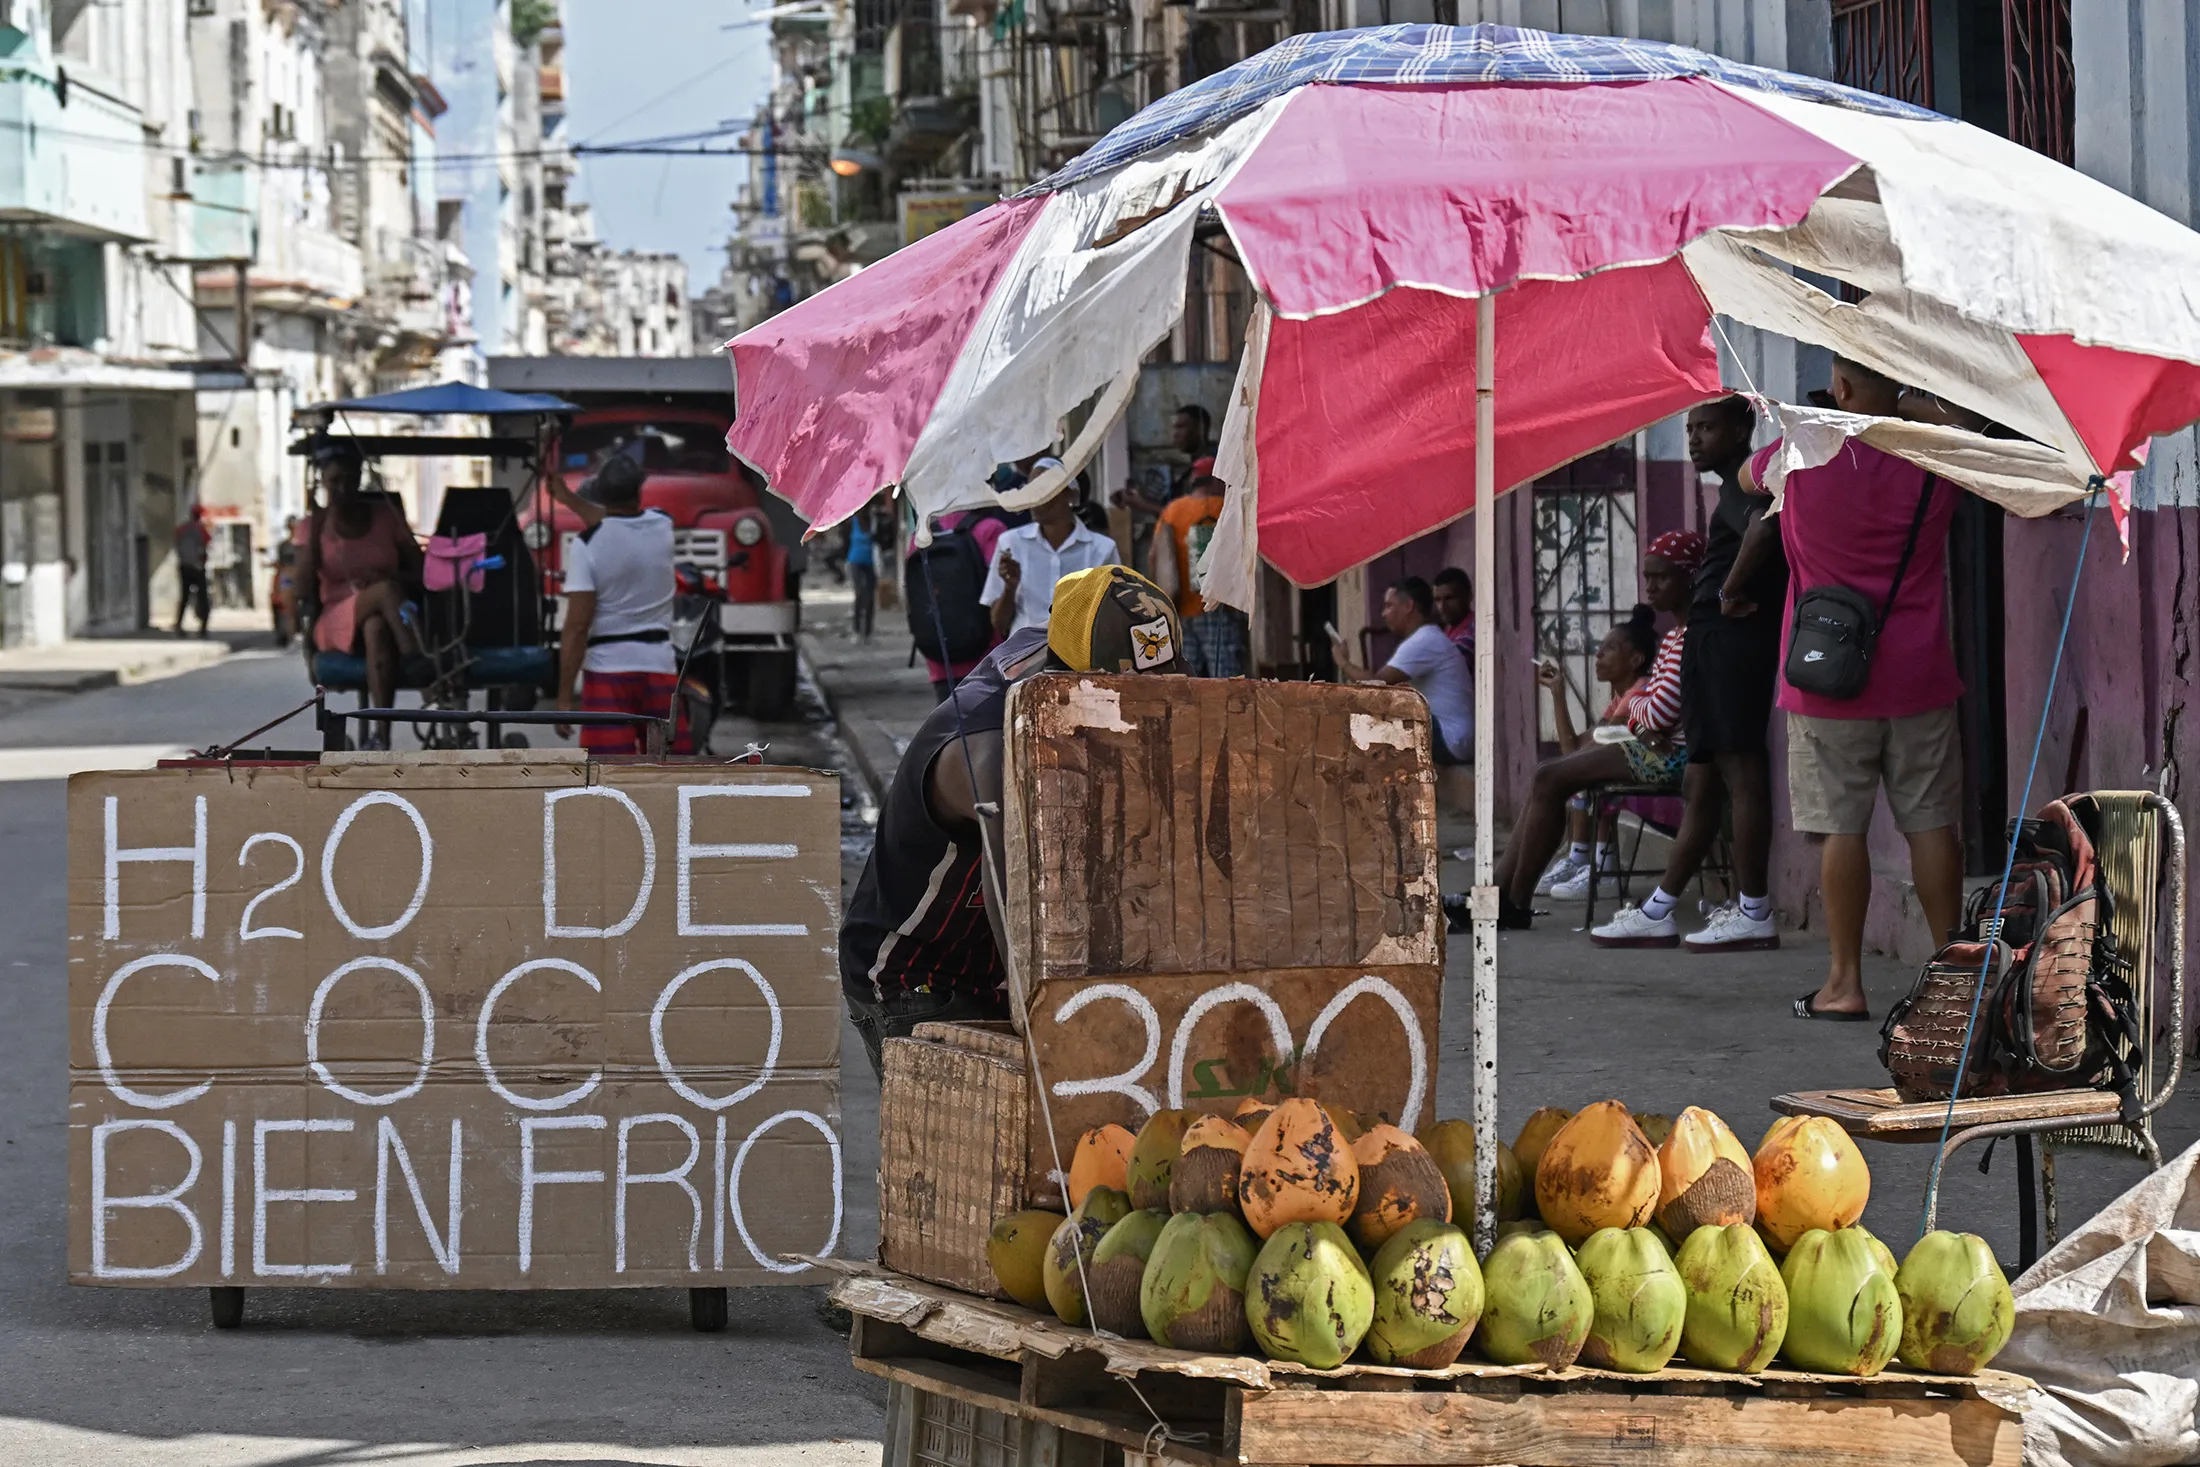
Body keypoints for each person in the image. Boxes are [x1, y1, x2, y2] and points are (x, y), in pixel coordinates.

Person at [841, 564, 1185, 1075]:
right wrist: (1046, 1021)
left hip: (986, 967)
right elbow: (1018, 907)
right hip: (916, 979)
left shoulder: (1050, 654)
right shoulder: (991, 753)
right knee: (966, 1148)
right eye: (1125, 699)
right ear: (1074, 682)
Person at [1760, 359, 1965, 1020]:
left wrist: (1819, 424)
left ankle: (1844, 981)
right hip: (1919, 673)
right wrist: (1912, 406)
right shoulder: (1931, 459)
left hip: (1827, 680)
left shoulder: (1802, 453)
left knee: (1840, 828)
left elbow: (1743, 476)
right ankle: (1952, 975)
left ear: (1841, 387)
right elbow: (1968, 429)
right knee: (1932, 822)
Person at [1590, 396, 1787, 952]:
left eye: (1707, 428)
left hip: (1733, 645)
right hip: (1710, 643)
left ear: (1743, 426)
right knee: (1702, 779)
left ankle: (1754, 911)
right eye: (1690, 429)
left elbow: (1766, 532)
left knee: (1741, 774)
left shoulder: (1750, 486)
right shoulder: (1728, 488)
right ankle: (1659, 909)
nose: (1695, 439)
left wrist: (1727, 590)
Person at [1444, 532, 1702, 933]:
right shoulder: (1673, 637)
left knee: (1551, 775)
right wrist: (1642, 711)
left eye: (1662, 578)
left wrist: (1638, 709)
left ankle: (1511, 902)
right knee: (1547, 774)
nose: (1651, 586)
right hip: (1652, 748)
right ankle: (1496, 896)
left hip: (1672, 756)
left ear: (1690, 577)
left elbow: (1658, 713)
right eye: (1647, 577)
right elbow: (1647, 713)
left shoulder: (1692, 636)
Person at [550, 454, 685, 757]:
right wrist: (567, 499)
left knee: (609, 774)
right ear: (639, 491)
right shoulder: (662, 525)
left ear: (599, 493)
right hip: (660, 665)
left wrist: (563, 700)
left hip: (607, 673)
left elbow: (577, 627)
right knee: (671, 770)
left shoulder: (587, 545)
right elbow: (619, 524)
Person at [1526, 605, 1660, 899]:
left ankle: (1601, 865)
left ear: (1636, 659)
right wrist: (1558, 692)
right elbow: (1573, 750)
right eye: (1600, 648)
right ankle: (1581, 858)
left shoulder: (1639, 692)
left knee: (1583, 773)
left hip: (1657, 781)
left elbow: (1581, 755)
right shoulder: (1619, 699)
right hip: (1631, 774)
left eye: (1609, 649)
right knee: (1575, 768)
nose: (1598, 655)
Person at [298, 437, 423, 750]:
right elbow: (302, 588)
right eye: (334, 481)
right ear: (323, 483)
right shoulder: (313, 525)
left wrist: (389, 576)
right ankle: (418, 658)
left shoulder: (386, 515)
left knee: (376, 626)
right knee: (384, 593)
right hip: (333, 618)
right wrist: (316, 531)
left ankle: (381, 735)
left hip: (389, 615)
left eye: (350, 480)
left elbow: (422, 573)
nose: (343, 489)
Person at [1328, 577, 1474, 764]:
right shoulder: (1426, 637)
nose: (1383, 614)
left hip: (1452, 738)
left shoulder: (1423, 641)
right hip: (1453, 735)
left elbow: (1375, 683)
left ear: (1408, 606)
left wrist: (1343, 662)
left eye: (1389, 605)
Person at [982, 471, 1118, 638]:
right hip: (1025, 657)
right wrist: (1010, 587)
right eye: (1032, 491)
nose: (1036, 500)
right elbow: (998, 622)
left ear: (1071, 496)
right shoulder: (1011, 543)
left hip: (1079, 658)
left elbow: (1114, 615)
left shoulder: (1102, 549)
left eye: (1045, 491)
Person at [1151, 465, 1249, 677]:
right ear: (1216, 481)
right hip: (1219, 611)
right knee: (1225, 679)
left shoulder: (1172, 511)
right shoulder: (1226, 507)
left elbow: (1155, 556)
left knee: (1184, 680)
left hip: (1180, 613)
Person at [173, 503, 212, 638]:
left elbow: (177, 543)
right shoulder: (201, 530)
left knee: (184, 597)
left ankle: (178, 625)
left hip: (184, 566)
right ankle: (203, 628)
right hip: (198, 567)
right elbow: (206, 544)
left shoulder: (182, 529)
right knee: (203, 598)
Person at [846, 498, 879, 640]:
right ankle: (857, 628)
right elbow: (845, 540)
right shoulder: (852, 522)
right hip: (855, 561)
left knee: (870, 597)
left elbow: (881, 539)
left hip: (871, 562)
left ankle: (868, 631)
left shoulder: (873, 522)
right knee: (859, 594)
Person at [1433, 567, 1474, 660]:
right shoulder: (1449, 629)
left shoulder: (1472, 631)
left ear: (1469, 596)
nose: (1442, 607)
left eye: (1449, 598)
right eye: (1437, 600)